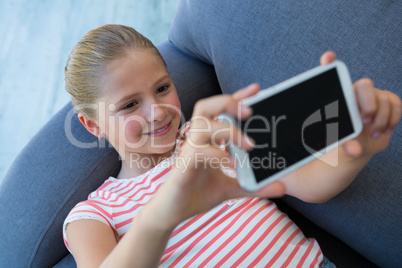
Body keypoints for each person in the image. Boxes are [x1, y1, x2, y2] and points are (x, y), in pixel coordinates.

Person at [62, 24, 401, 267]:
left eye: (162, 88)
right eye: (130, 105)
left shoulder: (214, 135)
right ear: (92, 125)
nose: (157, 111)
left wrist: (361, 145)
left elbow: (310, 184)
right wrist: (166, 209)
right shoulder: (95, 215)